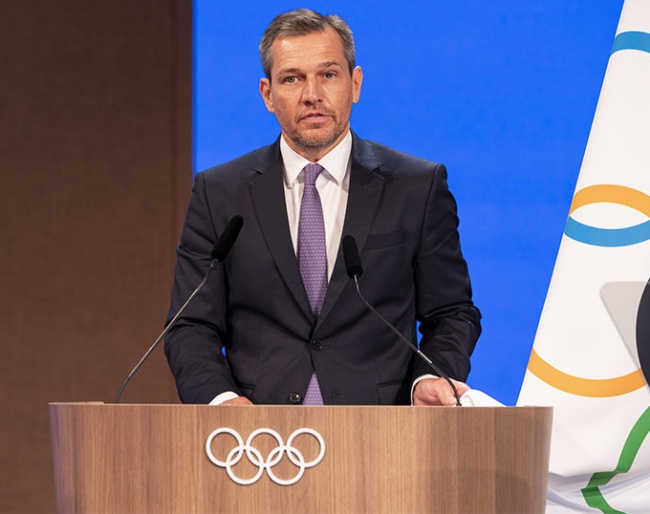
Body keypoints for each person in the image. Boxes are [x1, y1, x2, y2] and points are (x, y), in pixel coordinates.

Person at [164, 9, 481, 407]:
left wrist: (429, 378)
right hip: (257, 442)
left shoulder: (416, 186)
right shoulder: (219, 193)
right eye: (292, 78)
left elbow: (452, 312)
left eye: (328, 74)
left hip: (384, 435)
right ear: (267, 94)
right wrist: (222, 400)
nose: (312, 94)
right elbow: (190, 325)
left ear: (355, 84)